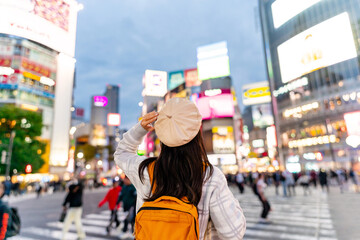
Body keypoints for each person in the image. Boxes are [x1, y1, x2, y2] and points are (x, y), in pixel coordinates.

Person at [114, 98, 246, 240]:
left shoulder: (145, 170)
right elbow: (232, 233)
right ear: (197, 134)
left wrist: (140, 128)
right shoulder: (210, 176)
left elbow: (122, 154)